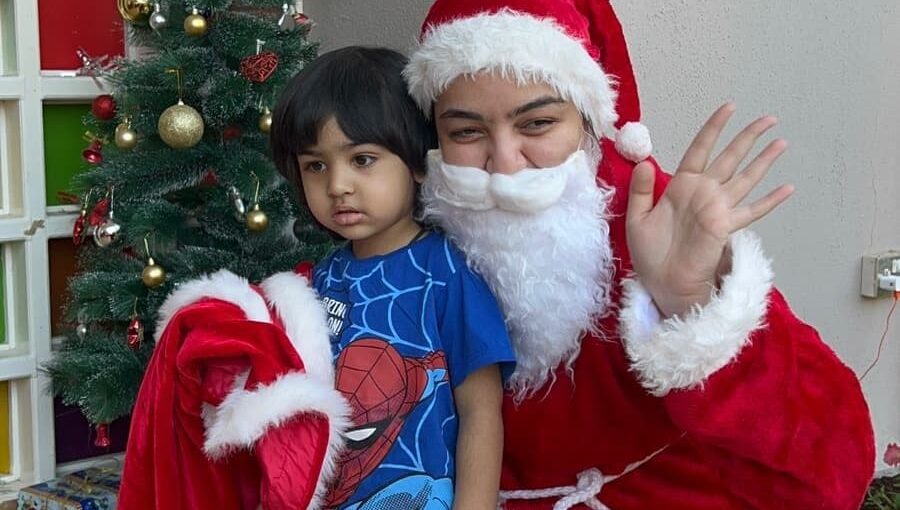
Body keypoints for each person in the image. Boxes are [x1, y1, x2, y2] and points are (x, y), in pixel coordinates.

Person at [402, 0, 876, 508]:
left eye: (537, 123)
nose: (505, 164)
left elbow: (831, 470)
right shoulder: (417, 233)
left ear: (587, 123)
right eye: (466, 132)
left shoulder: (654, 219)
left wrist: (692, 305)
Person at [269, 46, 516, 510]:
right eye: (315, 166)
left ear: (419, 163)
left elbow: (481, 411)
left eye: (362, 159)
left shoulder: (449, 273)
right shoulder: (315, 284)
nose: (338, 185)